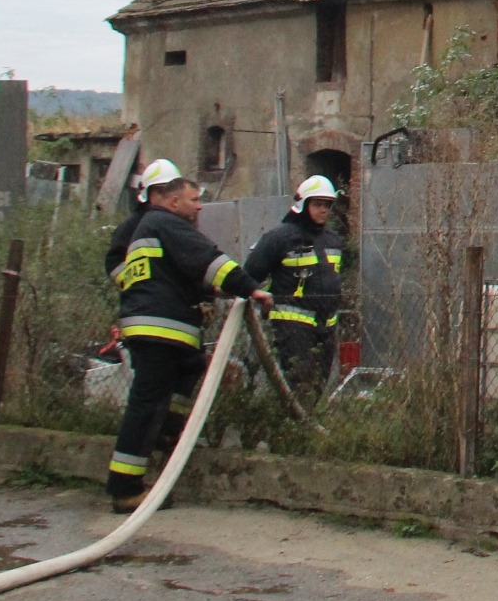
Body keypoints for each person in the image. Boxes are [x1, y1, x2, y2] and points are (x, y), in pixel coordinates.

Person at [106, 160, 268, 510]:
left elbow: (178, 272)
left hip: (161, 326)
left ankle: (168, 427)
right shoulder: (162, 223)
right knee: (145, 405)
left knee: (189, 368)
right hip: (159, 327)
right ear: (168, 199)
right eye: (193, 199)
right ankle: (125, 487)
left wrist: (203, 298)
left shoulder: (150, 225)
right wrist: (248, 287)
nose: (199, 206)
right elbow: (205, 259)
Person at [245, 174, 347, 397]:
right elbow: (250, 274)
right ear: (303, 204)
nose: (323, 210)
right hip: (293, 327)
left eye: (327, 205)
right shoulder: (279, 238)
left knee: (318, 388)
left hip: (327, 326)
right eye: (318, 204)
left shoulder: (333, 240)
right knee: (300, 385)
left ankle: (304, 429)